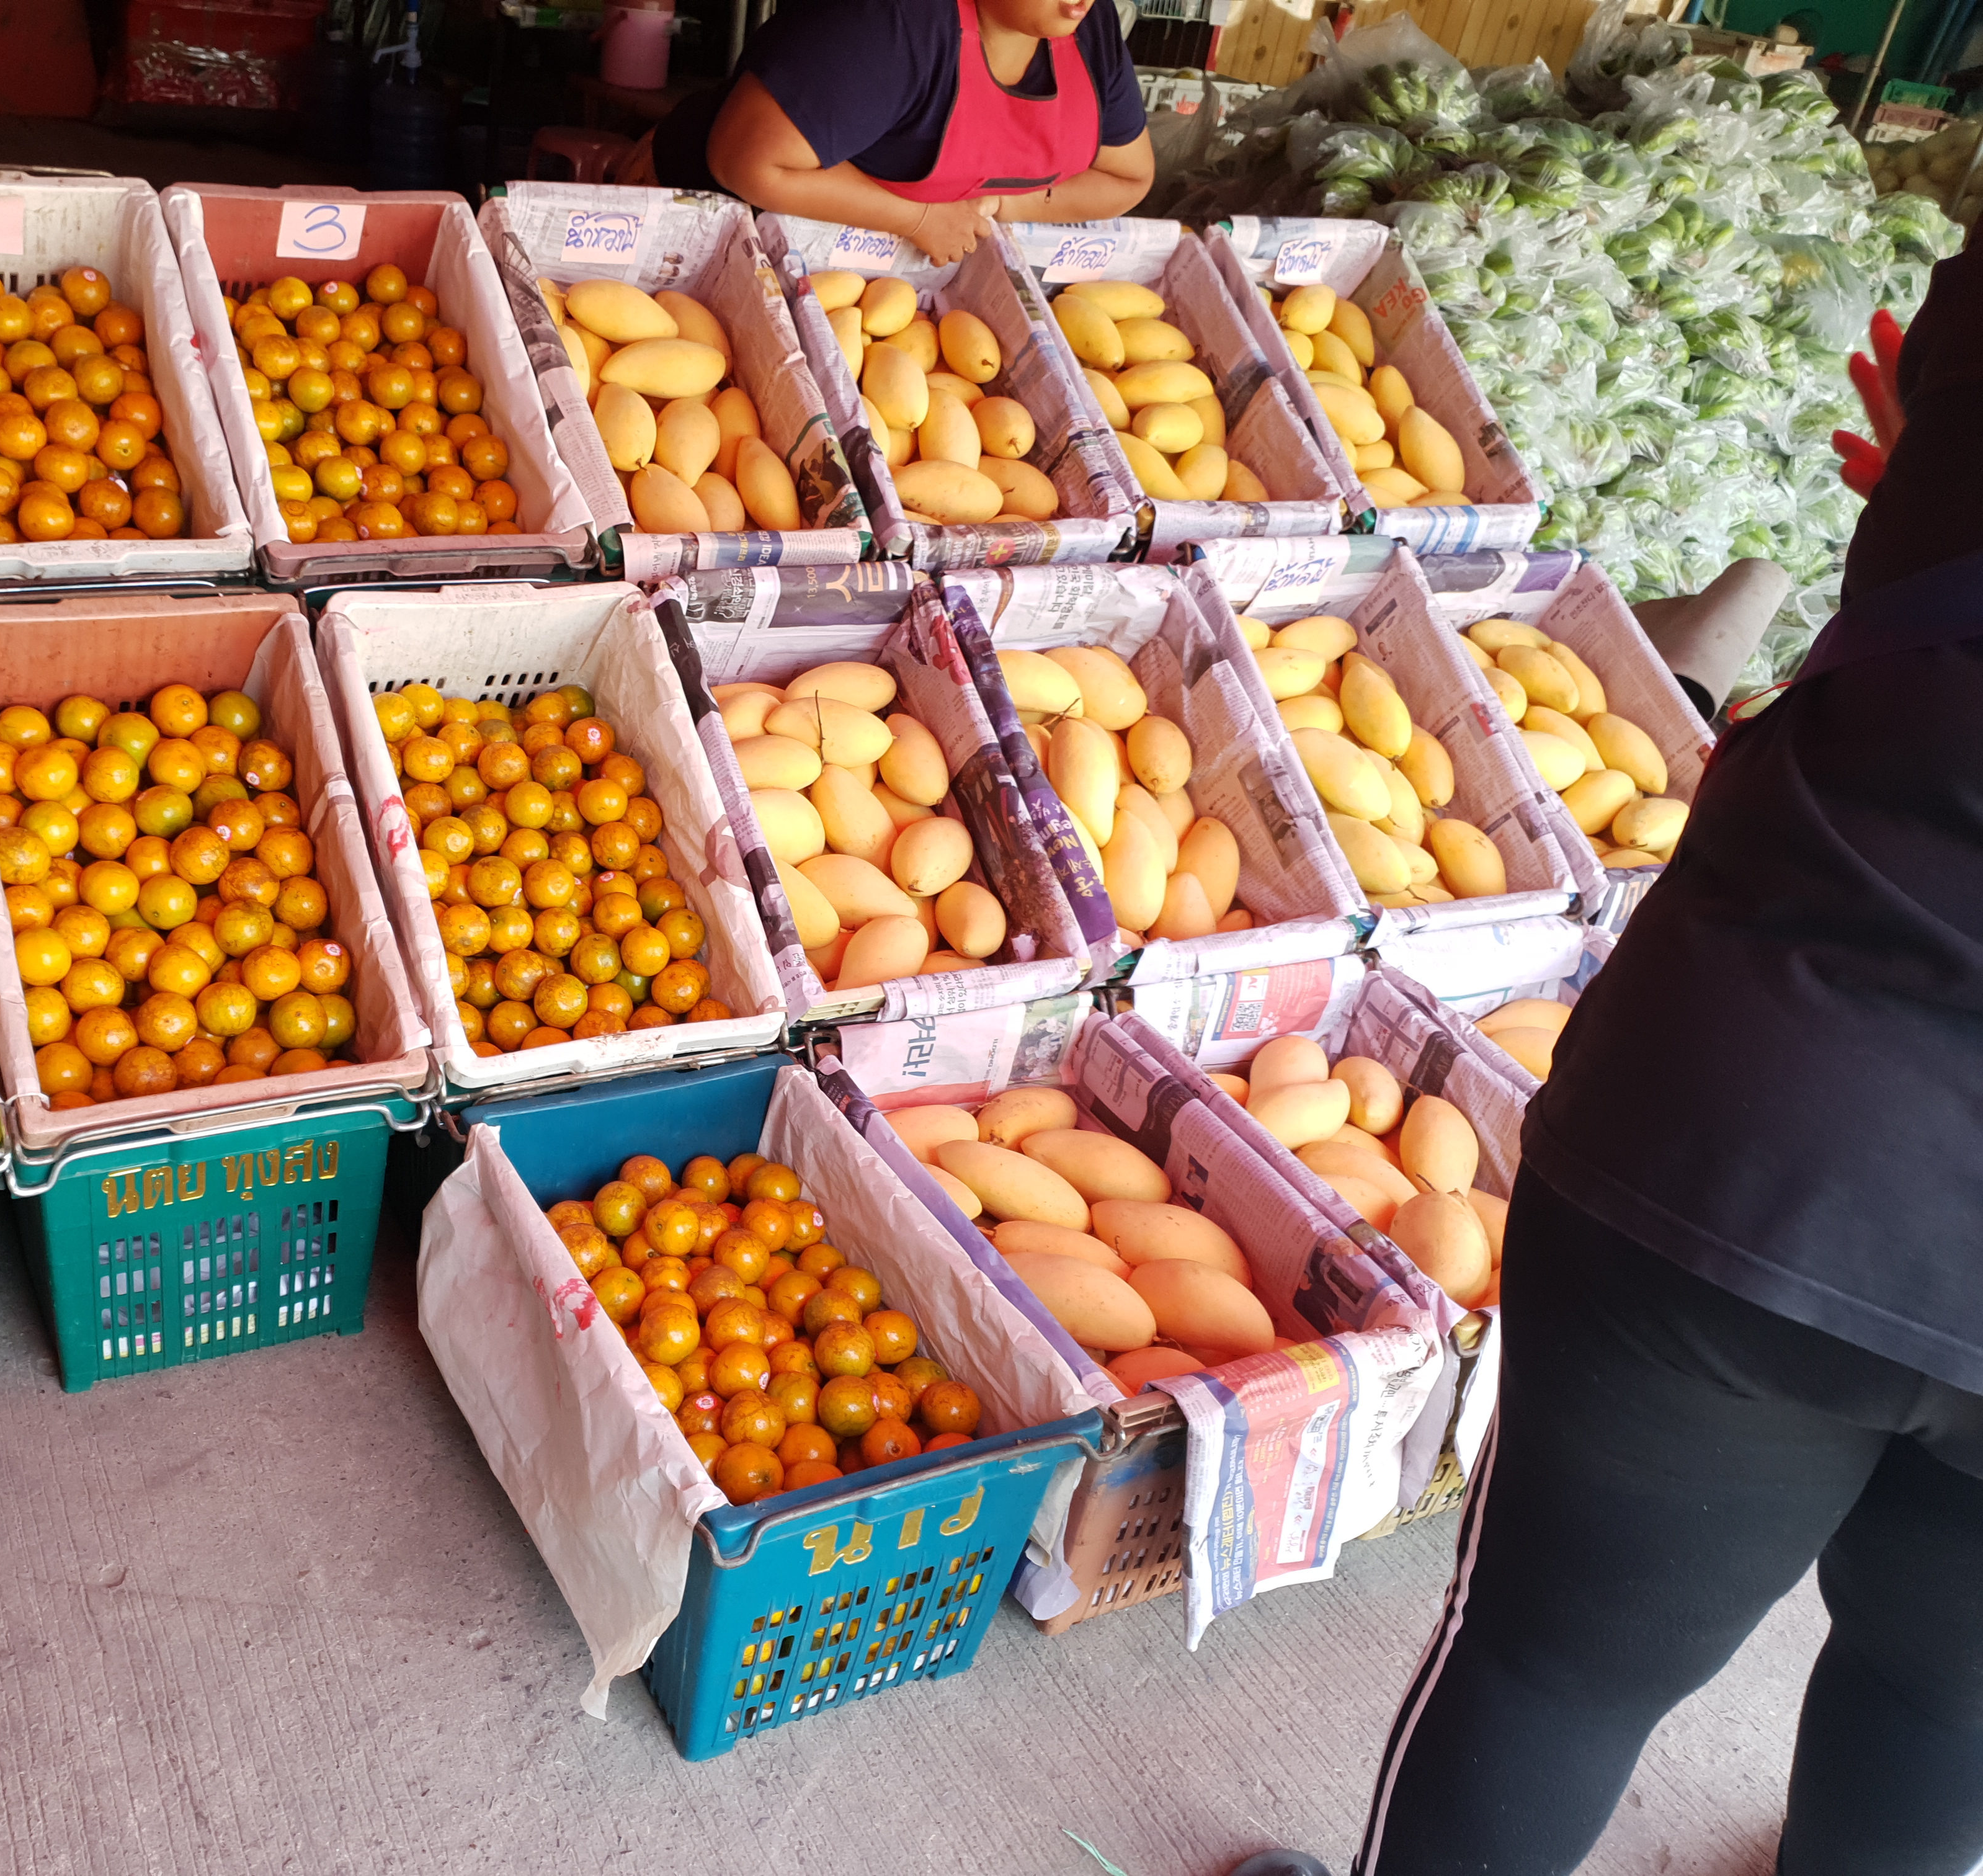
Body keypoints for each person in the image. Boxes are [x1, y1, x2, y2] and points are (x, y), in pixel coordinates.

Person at [1236, 245, 1983, 1876]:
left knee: (1555, 1671)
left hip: (1775, 1120)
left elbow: (1922, 440)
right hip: (1801, 1129)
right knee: (1949, 1704)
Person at [639, 0, 1153, 262]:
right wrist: (921, 218)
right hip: (697, 224)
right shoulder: (894, 21)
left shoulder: (1091, 28)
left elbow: (1128, 178)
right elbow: (747, 161)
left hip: (861, 278)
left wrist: (995, 205)